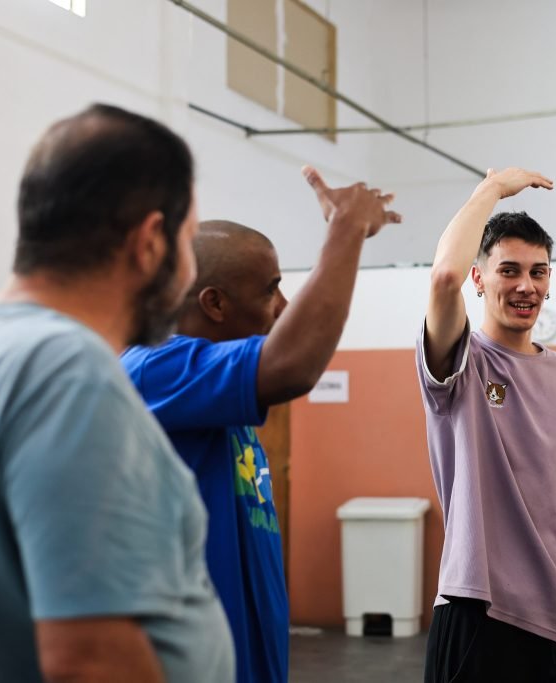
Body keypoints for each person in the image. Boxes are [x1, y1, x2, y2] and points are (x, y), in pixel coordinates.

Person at [0, 104, 233, 682]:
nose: (190, 264)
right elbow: (90, 661)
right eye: (190, 238)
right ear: (150, 241)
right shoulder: (66, 374)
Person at [122, 171, 401, 683]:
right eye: (271, 289)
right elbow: (293, 363)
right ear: (215, 303)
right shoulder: (151, 371)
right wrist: (346, 231)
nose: (283, 307)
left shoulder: (213, 393)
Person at [418, 167, 556, 682]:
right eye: (509, 270)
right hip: (480, 612)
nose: (525, 286)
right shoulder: (462, 362)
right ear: (480, 278)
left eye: (538, 272)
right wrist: (489, 191)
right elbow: (443, 275)